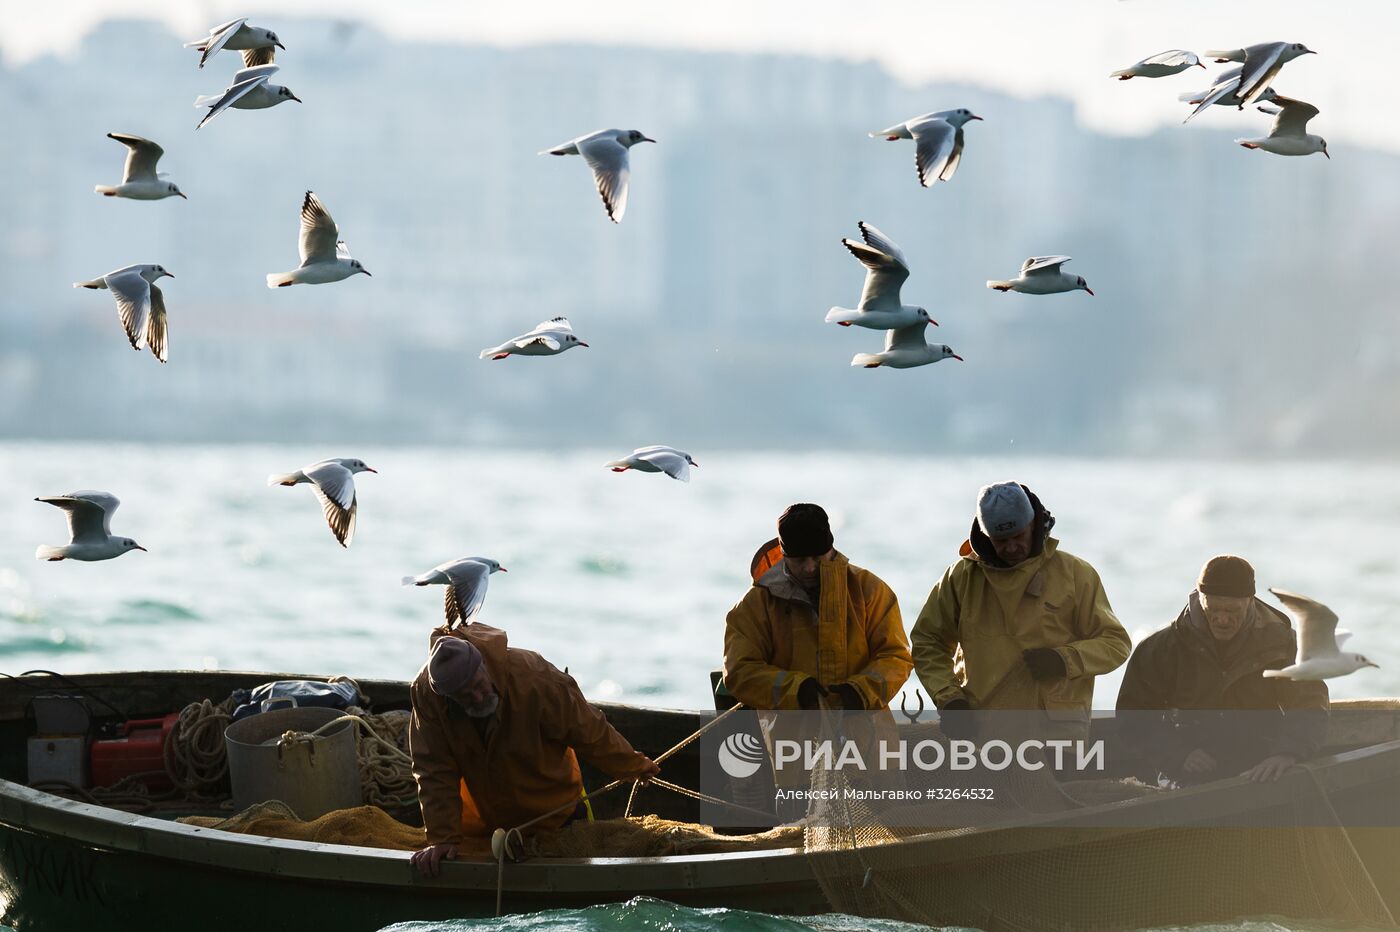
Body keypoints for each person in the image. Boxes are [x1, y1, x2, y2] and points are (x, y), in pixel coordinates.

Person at [408, 625, 659, 876]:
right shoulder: (427, 694)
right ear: (447, 696)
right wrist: (442, 838)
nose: (477, 697)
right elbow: (433, 768)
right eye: (465, 695)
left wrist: (632, 765)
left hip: (558, 816)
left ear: (482, 664)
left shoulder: (534, 675)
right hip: (483, 826)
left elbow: (588, 728)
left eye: (478, 685)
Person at [911, 481, 1130, 731]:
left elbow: (1116, 643)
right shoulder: (960, 578)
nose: (1012, 547)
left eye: (1018, 536)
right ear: (986, 536)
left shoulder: (1076, 574)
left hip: (1057, 735)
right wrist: (950, 701)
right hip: (982, 733)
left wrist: (1064, 660)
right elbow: (927, 642)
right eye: (1001, 540)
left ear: (1034, 524)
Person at [1115, 555, 1329, 784]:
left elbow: (1310, 702)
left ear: (1250, 601)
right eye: (1214, 609)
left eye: (1232, 611)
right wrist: (1178, 754)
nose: (1223, 619)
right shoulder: (1161, 649)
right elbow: (1134, 716)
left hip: (1261, 771)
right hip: (1185, 774)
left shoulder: (1283, 644)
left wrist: (1287, 753)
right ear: (1200, 599)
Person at [723, 503, 913, 712]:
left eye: (817, 556)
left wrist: (862, 692)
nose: (810, 567)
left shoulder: (870, 589)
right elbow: (739, 670)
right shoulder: (756, 604)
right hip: (788, 739)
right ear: (784, 555)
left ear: (830, 550)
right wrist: (796, 690)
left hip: (868, 735)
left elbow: (896, 656)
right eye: (800, 559)